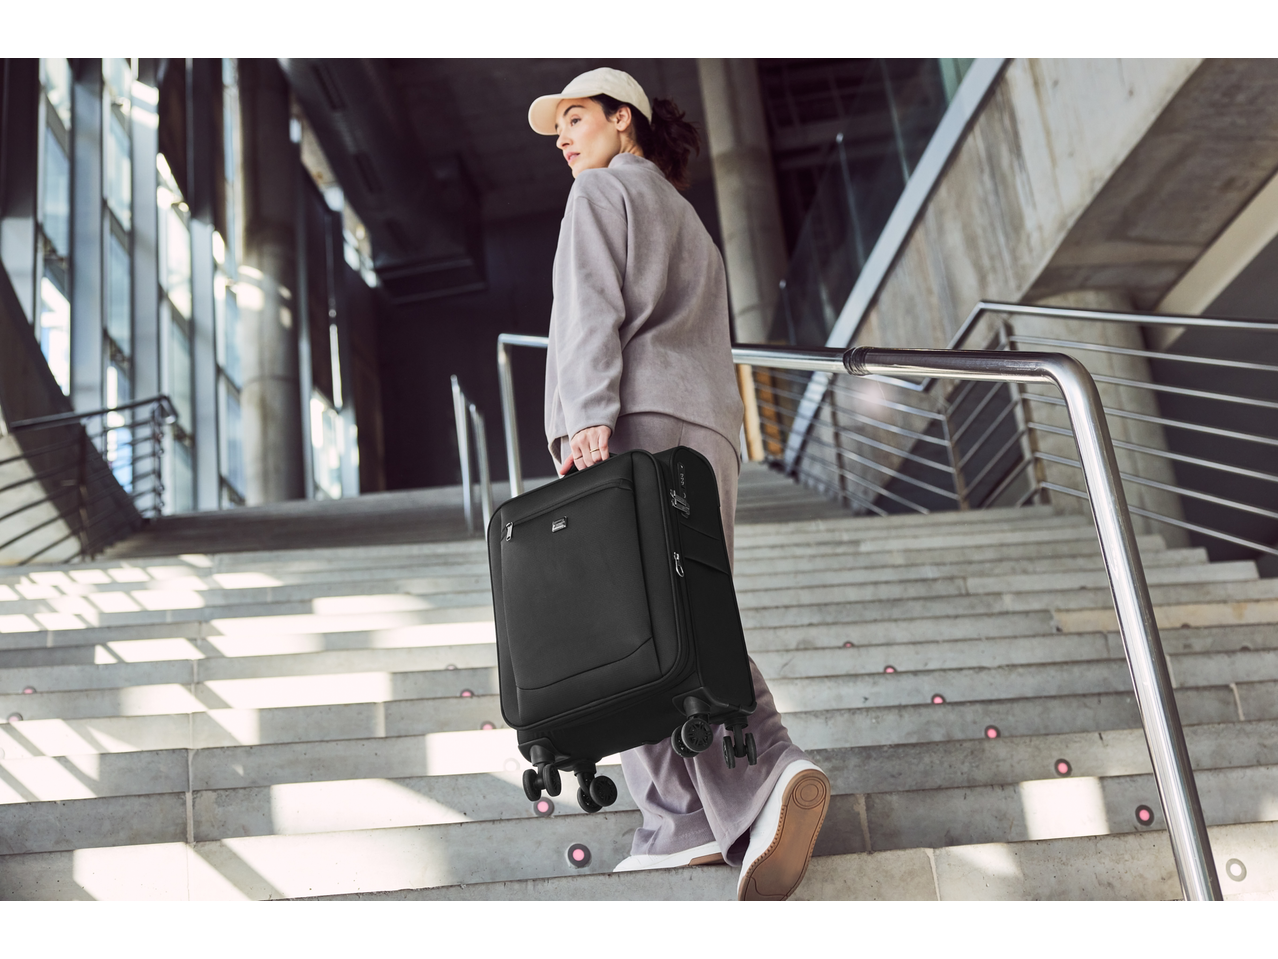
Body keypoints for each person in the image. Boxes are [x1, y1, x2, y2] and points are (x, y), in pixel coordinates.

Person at [528, 68, 830, 901]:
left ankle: (755, 775)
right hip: (708, 432)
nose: (564, 137)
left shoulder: (598, 194)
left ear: (624, 119)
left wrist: (587, 414)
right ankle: (682, 818)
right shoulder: (688, 217)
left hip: (633, 422)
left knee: (632, 625)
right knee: (687, 610)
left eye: (577, 117)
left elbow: (590, 308)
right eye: (559, 127)